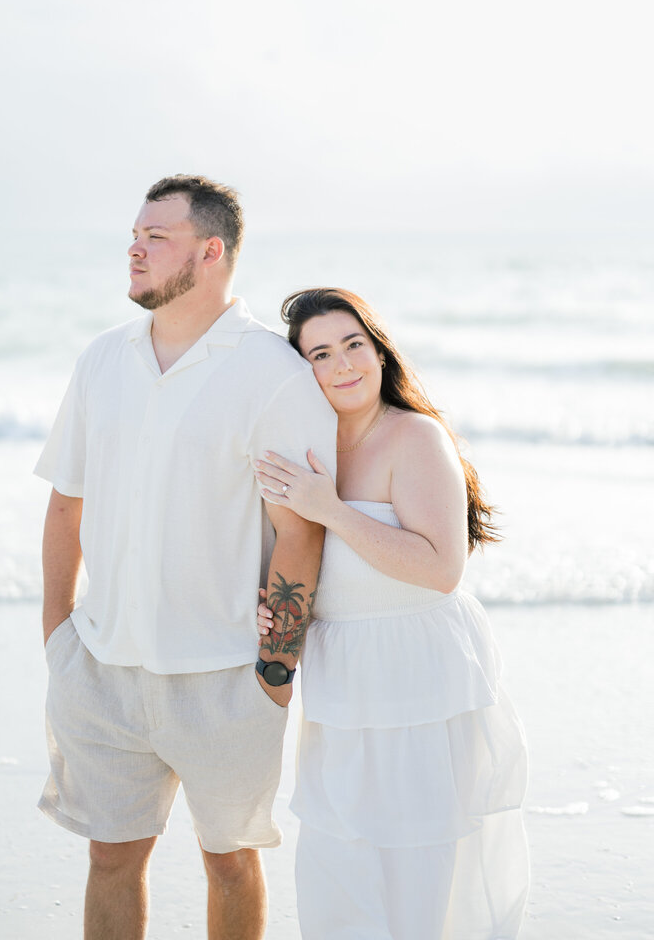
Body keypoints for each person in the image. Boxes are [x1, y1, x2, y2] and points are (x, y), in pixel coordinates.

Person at [34, 176, 336, 940]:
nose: (135, 249)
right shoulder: (103, 359)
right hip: (100, 668)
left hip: (226, 677)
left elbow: (300, 531)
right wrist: (57, 635)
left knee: (229, 863)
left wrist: (274, 671)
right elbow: (66, 501)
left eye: (156, 237)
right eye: (134, 235)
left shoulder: (272, 373)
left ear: (210, 252)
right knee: (109, 857)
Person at [256, 287, 529, 940]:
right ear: (303, 371)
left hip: (420, 674)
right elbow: (294, 558)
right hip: (342, 677)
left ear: (380, 351)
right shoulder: (306, 446)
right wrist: (270, 612)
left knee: (418, 873)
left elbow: (440, 569)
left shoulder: (415, 437)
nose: (344, 364)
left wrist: (333, 511)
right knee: (338, 862)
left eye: (354, 344)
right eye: (322, 354)